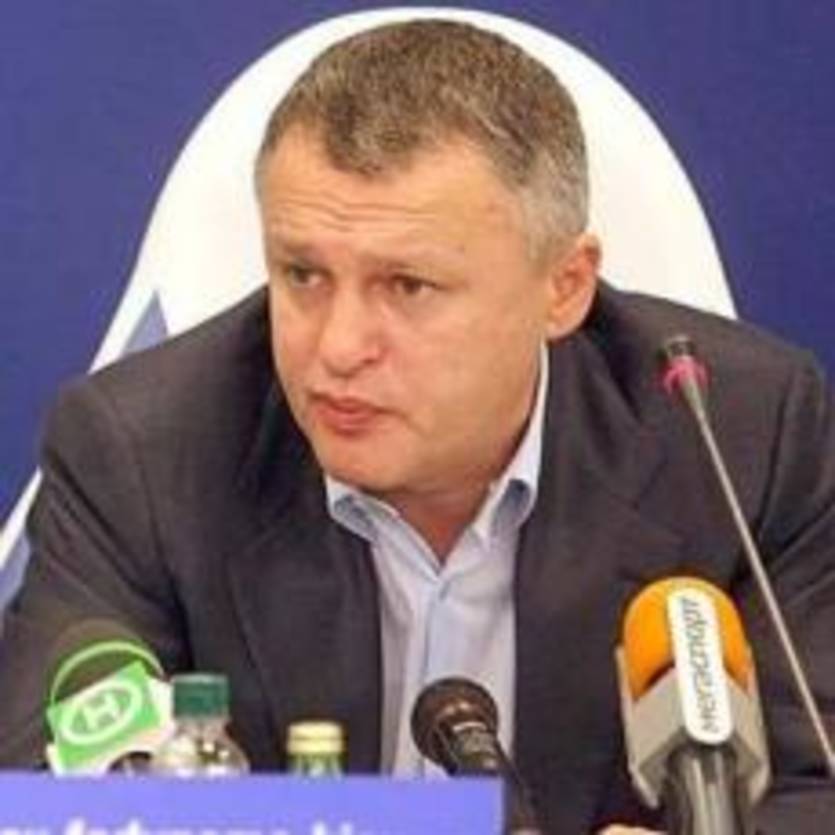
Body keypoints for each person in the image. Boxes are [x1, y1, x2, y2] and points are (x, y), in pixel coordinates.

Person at [0, 18, 833, 834]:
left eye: (407, 286)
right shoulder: (144, 449)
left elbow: (816, 785)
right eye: (302, 274)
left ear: (564, 287)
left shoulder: (736, 436)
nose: (337, 347)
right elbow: (49, 797)